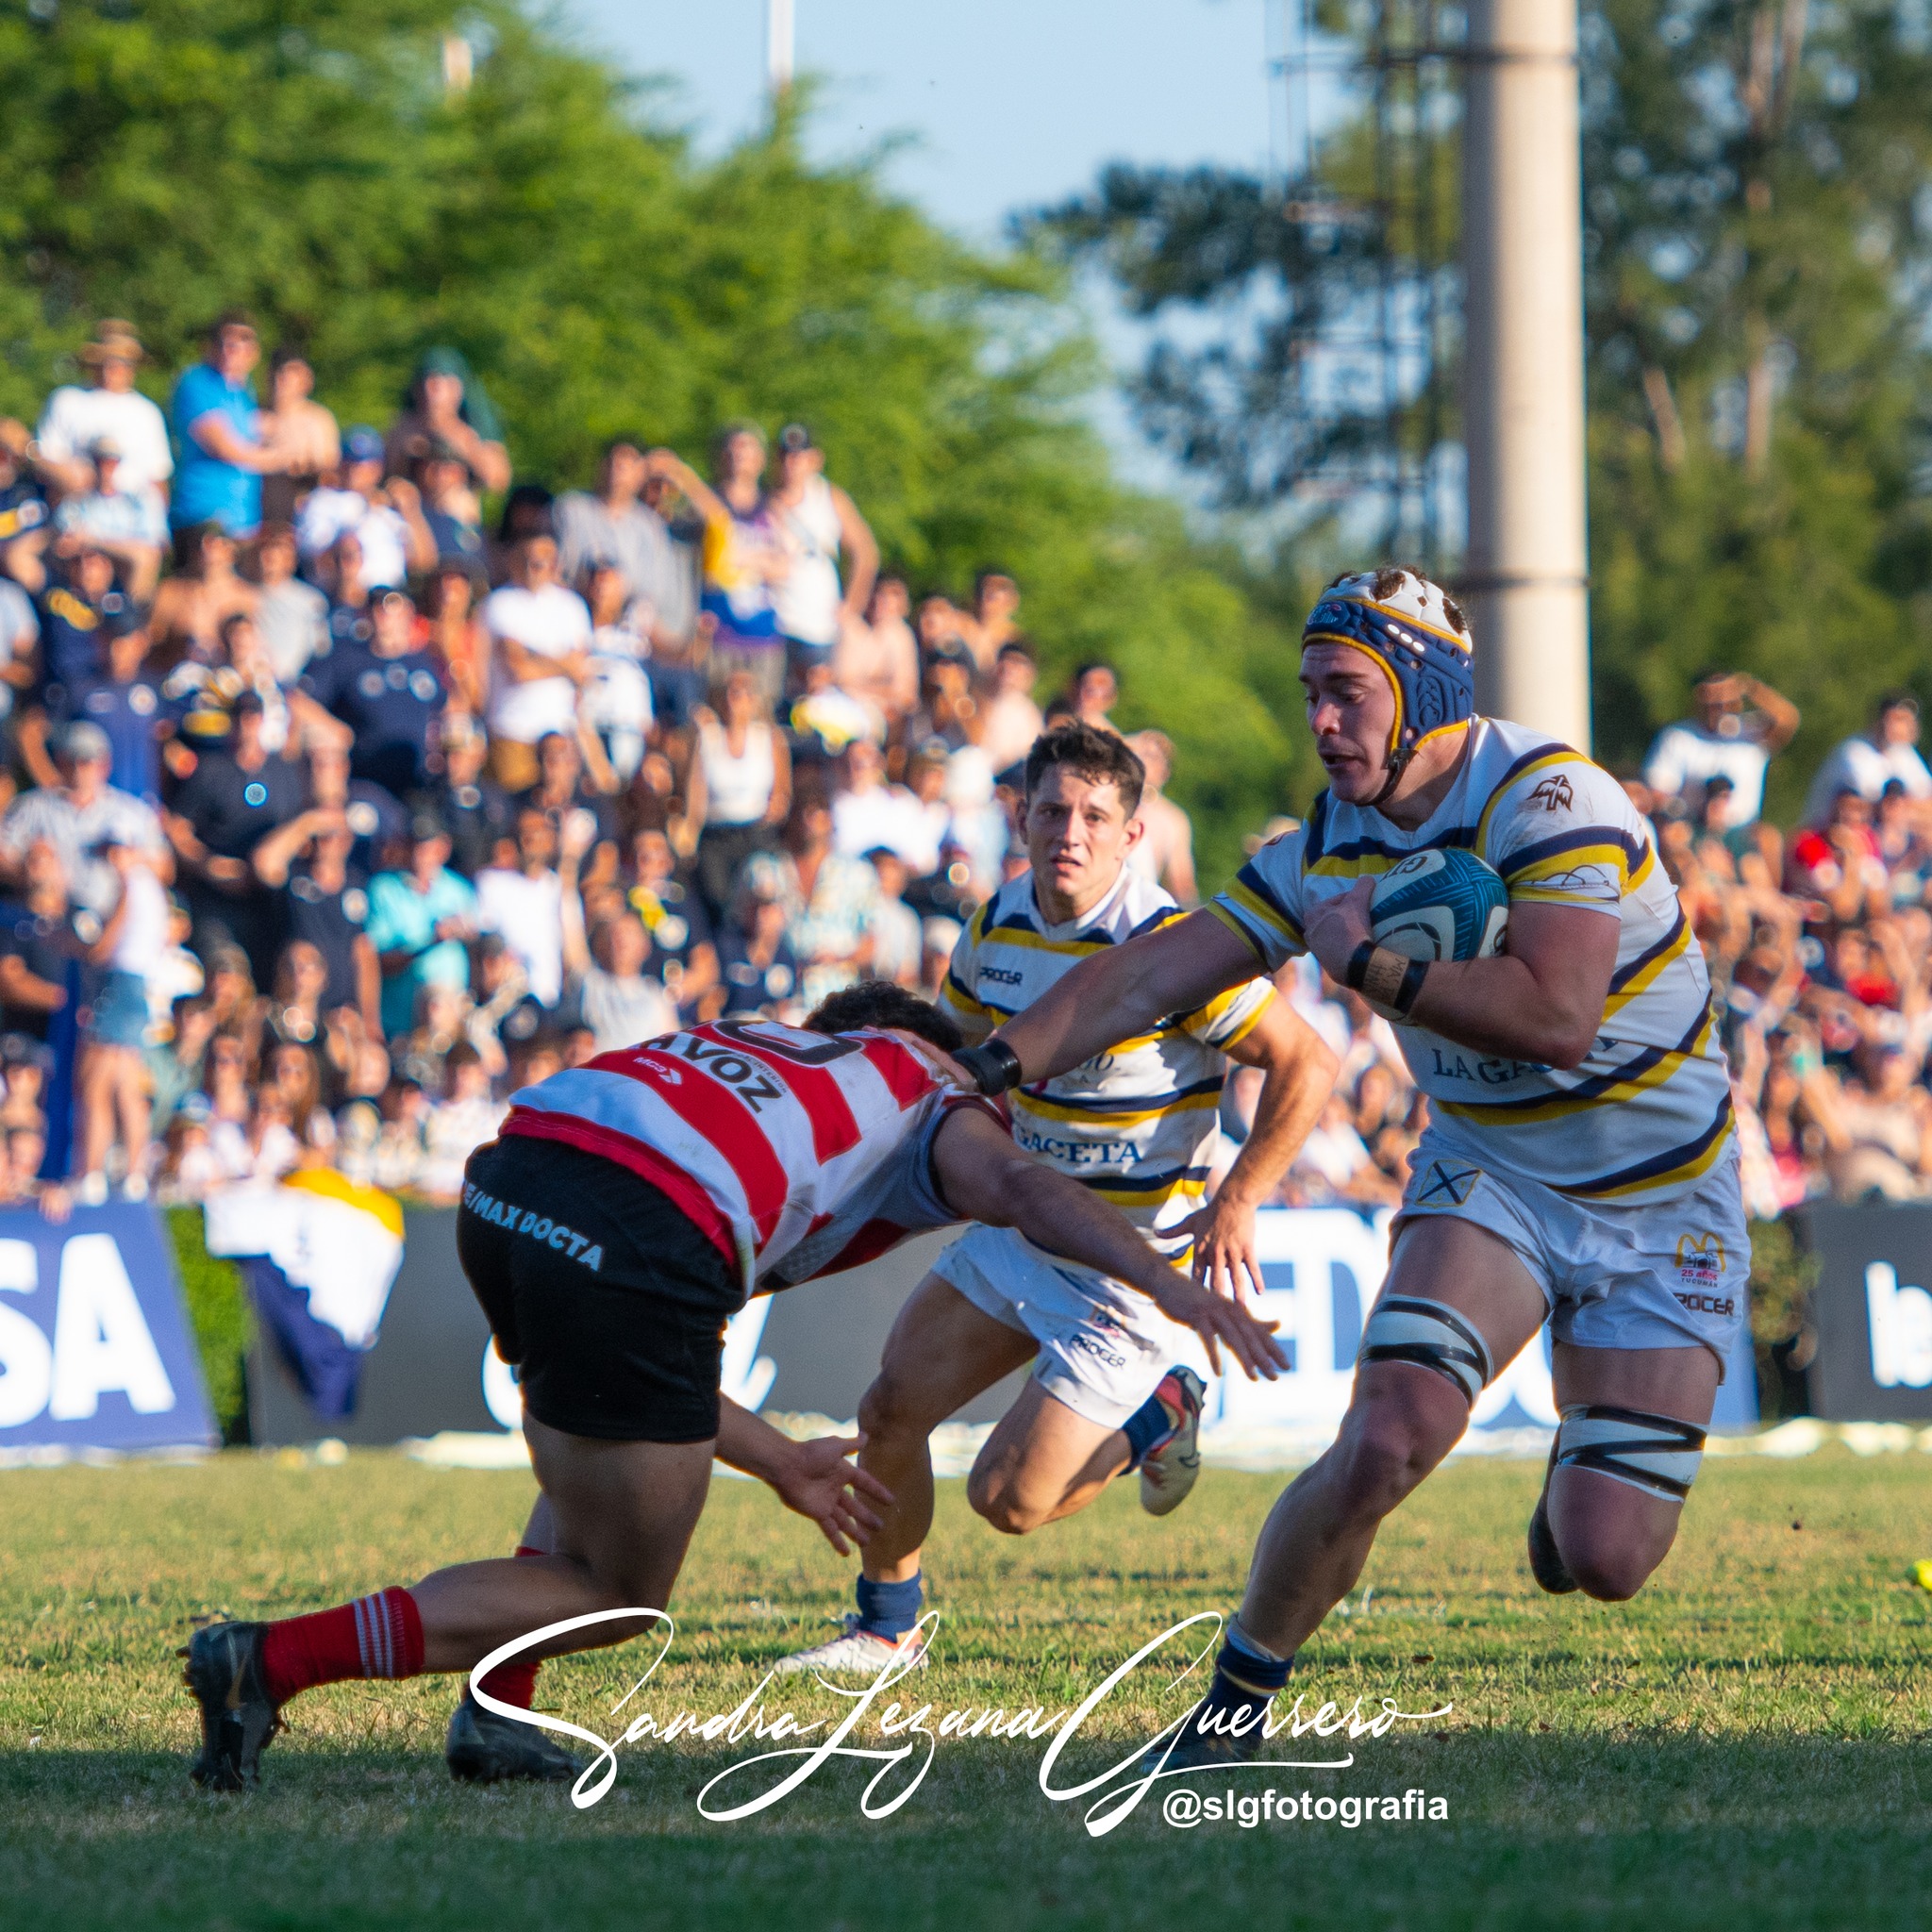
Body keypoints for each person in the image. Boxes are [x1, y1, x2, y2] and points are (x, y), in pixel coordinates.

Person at [959, 566, 1750, 1769]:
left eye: (1344, 691)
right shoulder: (1322, 847)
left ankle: (1574, 1482)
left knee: (1605, 1558)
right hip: (1492, 1173)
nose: (1319, 721)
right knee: (1385, 1434)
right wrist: (986, 1067)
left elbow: (1557, 1019)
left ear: (1420, 688)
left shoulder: (1551, 797)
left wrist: (1365, 966)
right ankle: (1230, 1710)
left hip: (1664, 1193)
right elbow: (1142, 977)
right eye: (1308, 694)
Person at [179, 979, 1285, 1792]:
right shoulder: (935, 1094)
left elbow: (658, 1378)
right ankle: (268, 1660)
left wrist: (782, 1459)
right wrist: (1166, 1283)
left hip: (511, 1178)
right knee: (616, 1590)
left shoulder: (765, 1042)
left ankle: (495, 1710)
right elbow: (1023, 1191)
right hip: (637, 1228)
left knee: (592, 1449)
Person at [775, 724, 1333, 1677]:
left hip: (1134, 1268)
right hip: (1025, 1229)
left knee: (1007, 1499)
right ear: (1019, 817)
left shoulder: (1175, 947)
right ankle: (885, 1625)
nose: (1068, 831)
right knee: (890, 1405)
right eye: (1050, 810)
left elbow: (1305, 1059)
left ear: (1130, 833)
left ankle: (1165, 1405)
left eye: (1093, 815)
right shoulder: (993, 925)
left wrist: (1241, 1193)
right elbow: (956, 1062)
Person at [300, 587, 446, 798]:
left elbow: (446, 707)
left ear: (408, 612)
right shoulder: (346, 657)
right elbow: (300, 699)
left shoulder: (424, 661)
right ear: (365, 614)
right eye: (376, 608)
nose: (382, 616)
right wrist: (336, 729)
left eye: (391, 607)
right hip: (366, 779)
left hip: (419, 779)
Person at [554, 440, 698, 652]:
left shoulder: (649, 526)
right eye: (612, 463)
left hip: (631, 635)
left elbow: (654, 591)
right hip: (572, 626)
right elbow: (556, 571)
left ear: (641, 473)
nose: (617, 471)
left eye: (627, 465)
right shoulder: (570, 510)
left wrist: (681, 474)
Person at [765, 424, 878, 689]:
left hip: (819, 624)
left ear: (814, 460)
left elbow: (865, 551)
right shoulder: (765, 501)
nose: (791, 464)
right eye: (785, 456)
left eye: (799, 456)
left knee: (816, 704)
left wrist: (852, 606)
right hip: (776, 620)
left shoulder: (829, 498)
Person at [481, 528, 592, 792]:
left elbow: (582, 669)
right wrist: (565, 665)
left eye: (544, 559)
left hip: (560, 728)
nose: (537, 566)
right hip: (513, 728)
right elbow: (518, 669)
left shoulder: (573, 606)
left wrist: (535, 657)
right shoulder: (499, 603)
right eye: (529, 558)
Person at [31, 320, 175, 504]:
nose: (110, 371)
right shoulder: (67, 400)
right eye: (104, 362)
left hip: (131, 514)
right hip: (78, 508)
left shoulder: (147, 413)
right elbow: (45, 459)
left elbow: (158, 479)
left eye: (119, 363)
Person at [168, 312, 284, 537]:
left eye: (243, 342)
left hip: (243, 518)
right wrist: (279, 458)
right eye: (224, 342)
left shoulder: (243, 393)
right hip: (202, 515)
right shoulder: (197, 382)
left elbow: (264, 428)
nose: (231, 349)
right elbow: (224, 448)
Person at [690, 668, 789, 921]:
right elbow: (697, 793)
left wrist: (766, 824)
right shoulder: (709, 738)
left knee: (762, 892)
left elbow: (781, 793)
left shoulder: (769, 738)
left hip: (756, 832)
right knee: (717, 897)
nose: (738, 700)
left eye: (746, 693)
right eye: (733, 693)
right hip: (718, 833)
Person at [365, 821, 478, 1040]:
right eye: (414, 846)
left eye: (428, 848)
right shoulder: (384, 889)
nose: (420, 856)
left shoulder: (459, 890)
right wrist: (430, 941)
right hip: (401, 1024)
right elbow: (378, 961)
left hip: (450, 1020)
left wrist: (470, 937)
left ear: (443, 848)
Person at [1642, 668, 1800, 824]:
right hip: (1692, 825)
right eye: (1712, 703)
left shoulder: (1750, 732)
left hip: (1740, 831)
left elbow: (1788, 720)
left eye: (1724, 702)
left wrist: (1749, 686)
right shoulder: (1678, 737)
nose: (1719, 708)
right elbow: (1659, 788)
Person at [293, 426, 436, 591]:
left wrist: (411, 512)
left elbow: (424, 563)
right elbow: (317, 560)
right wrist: (364, 509)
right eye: (350, 464)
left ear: (378, 468)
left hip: (390, 598)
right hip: (341, 598)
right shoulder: (321, 501)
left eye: (364, 465)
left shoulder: (391, 507)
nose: (355, 472)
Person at [50, 436, 167, 603]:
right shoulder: (75, 502)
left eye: (110, 461)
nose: (104, 467)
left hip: (124, 567)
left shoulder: (140, 500)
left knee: (143, 559)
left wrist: (95, 541)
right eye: (99, 461)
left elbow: (154, 546)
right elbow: (66, 544)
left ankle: (132, 616)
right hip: (89, 562)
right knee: (90, 564)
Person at [384, 348, 511, 497]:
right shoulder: (404, 427)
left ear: (456, 389)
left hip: (456, 512)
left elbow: (498, 480)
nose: (429, 393)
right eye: (425, 383)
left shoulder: (474, 426)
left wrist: (457, 438)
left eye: (437, 385)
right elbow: (384, 472)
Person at [1802, 691, 1932, 827]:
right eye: (1894, 718)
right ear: (1878, 719)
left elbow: (1927, 800)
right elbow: (1879, 807)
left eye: (1904, 721)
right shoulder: (1854, 751)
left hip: (1871, 837)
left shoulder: (1903, 752)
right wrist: (1912, 808)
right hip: (1823, 836)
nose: (1895, 726)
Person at [257, 347, 340, 527]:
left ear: (306, 379)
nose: (283, 379)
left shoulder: (318, 420)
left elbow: (332, 472)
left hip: (304, 520)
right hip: (262, 521)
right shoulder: (256, 418)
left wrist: (305, 468)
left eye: (291, 372)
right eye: (278, 372)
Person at [830, 573, 918, 726]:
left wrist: (864, 688)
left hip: (882, 714)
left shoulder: (901, 636)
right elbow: (843, 680)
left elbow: (904, 692)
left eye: (892, 596)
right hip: (850, 706)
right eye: (879, 594)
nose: (882, 602)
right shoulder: (853, 629)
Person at [249, 522, 329, 686]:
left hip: (293, 687)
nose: (270, 556)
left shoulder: (310, 600)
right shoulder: (243, 594)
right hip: (250, 684)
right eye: (266, 549)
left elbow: (320, 651)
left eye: (279, 551)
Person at [1124, 728, 1198, 906]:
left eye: (1150, 756)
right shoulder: (1105, 800)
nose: (1140, 761)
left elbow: (1181, 886)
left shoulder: (1171, 820)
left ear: (1164, 771)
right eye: (1136, 753)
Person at [976, 640, 1044, 778]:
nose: (1008, 667)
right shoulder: (974, 698)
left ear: (1029, 674)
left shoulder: (1028, 715)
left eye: (1017, 663)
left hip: (1003, 779)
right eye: (1004, 660)